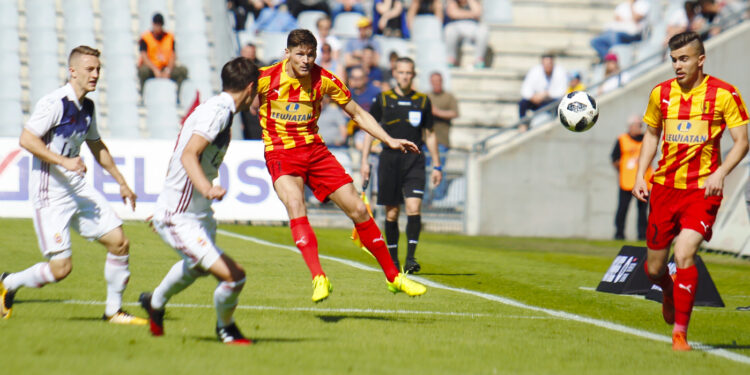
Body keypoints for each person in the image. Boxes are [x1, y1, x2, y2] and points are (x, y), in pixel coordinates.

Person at [257, 29, 426, 302]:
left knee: (359, 208)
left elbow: (358, 112)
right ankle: (318, 277)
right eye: (300, 54)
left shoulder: (323, 79)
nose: (306, 60)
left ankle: (394, 277)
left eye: (311, 54)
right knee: (296, 205)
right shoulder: (265, 78)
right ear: (286, 53)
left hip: (315, 151)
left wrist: (389, 139)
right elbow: (236, 100)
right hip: (280, 153)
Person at [0, 46, 145, 325]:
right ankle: (9, 282)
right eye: (90, 69)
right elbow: (27, 139)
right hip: (50, 189)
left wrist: (122, 183)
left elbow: (96, 145)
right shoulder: (55, 102)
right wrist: (63, 162)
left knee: (119, 242)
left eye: (98, 70)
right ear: (73, 71)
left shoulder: (87, 107)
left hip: (76, 186)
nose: (95, 75)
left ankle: (113, 311)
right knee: (61, 269)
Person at [633, 31, 749, 351]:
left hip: (702, 191)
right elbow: (652, 135)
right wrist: (641, 175)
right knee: (653, 269)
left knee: (685, 252)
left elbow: (742, 142)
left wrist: (721, 173)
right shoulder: (661, 94)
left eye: (683, 59)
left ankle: (680, 334)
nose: (677, 66)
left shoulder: (724, 94)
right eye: (673, 60)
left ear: (701, 60)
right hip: (665, 189)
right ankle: (667, 290)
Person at [138, 58, 260, 345]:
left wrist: (164, 203)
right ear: (250, 88)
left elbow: (179, 153)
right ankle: (225, 329)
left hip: (197, 214)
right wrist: (204, 189)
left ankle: (153, 302)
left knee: (196, 268)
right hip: (181, 215)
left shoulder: (219, 110)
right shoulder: (216, 112)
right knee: (234, 276)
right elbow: (188, 154)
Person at [360, 57, 442, 273]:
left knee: (414, 207)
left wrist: (437, 164)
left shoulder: (422, 101)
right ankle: (394, 261)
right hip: (389, 160)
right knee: (392, 213)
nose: (405, 76)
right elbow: (370, 129)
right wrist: (365, 162)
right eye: (401, 72)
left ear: (413, 75)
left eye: (409, 72)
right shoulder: (384, 99)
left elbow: (430, 134)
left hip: (414, 160)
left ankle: (411, 258)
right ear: (395, 74)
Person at [611, 115, 650, 240]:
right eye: (636, 125)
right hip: (626, 181)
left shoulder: (647, 139)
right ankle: (619, 233)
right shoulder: (622, 139)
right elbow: (614, 159)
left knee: (643, 211)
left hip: (644, 181)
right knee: (622, 209)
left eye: (640, 125)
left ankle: (642, 235)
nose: (638, 128)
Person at [425, 71, 458, 205]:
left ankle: (439, 199)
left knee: (440, 168)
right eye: (434, 81)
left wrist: (437, 112)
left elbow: (455, 113)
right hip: (425, 140)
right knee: (424, 169)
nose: (436, 84)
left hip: (442, 140)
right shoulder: (425, 96)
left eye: (438, 81)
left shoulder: (449, 97)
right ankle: (425, 198)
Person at [137, 13, 189, 94]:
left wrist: (168, 70)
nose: (158, 28)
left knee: (183, 70)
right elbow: (144, 56)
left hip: (165, 68)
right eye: (156, 25)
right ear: (153, 25)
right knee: (143, 71)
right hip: (151, 68)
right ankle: (143, 94)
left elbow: (173, 55)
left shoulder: (169, 37)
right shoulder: (146, 38)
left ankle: (178, 96)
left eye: (160, 25)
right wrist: (155, 70)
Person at [518, 53, 568, 128]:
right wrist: (533, 97)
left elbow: (562, 91)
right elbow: (525, 89)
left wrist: (546, 94)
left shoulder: (560, 71)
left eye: (549, 64)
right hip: (537, 100)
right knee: (523, 103)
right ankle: (523, 125)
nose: (547, 66)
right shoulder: (535, 71)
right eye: (545, 64)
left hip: (552, 102)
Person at [444, 0, 489, 68]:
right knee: (449, 30)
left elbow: (478, 13)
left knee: (483, 30)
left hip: (473, 26)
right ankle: (451, 59)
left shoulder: (473, 1)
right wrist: (471, 14)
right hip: (456, 26)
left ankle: (478, 60)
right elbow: (453, 13)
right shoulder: (452, 1)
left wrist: (461, 13)